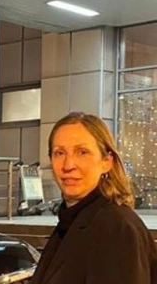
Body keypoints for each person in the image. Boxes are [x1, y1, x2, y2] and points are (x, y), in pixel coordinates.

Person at [30, 112, 157, 284]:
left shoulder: (117, 228)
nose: (68, 165)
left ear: (107, 162)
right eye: (59, 153)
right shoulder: (71, 220)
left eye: (82, 152)